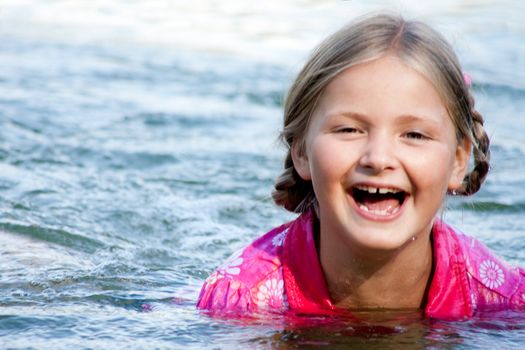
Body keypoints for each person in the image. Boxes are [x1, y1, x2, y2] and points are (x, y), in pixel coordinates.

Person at [196, 13, 525, 319]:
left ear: (458, 161)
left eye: (414, 134)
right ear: (302, 153)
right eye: (349, 130)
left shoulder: (502, 302)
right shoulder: (242, 304)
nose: (378, 158)